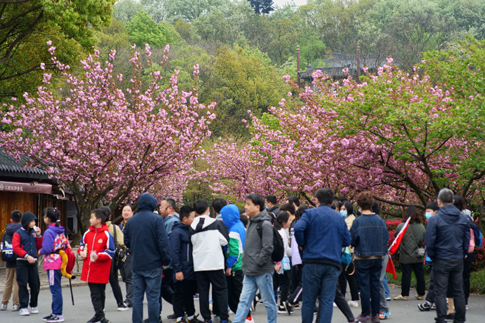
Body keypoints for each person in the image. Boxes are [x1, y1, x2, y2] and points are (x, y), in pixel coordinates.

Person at [294, 188, 351, 323]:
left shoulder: (309, 213)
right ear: (332, 202)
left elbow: (298, 228)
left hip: (312, 260)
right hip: (332, 262)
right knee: (327, 300)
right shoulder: (339, 217)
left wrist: (303, 243)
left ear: (317, 200)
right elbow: (347, 240)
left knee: (309, 300)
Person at [124, 193, 171, 323]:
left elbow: (126, 240)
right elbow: (163, 242)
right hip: (153, 263)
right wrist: (166, 260)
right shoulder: (157, 220)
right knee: (153, 297)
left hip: (137, 263)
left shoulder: (131, 221)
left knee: (138, 297)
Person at [425, 189, 469, 323]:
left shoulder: (435, 219)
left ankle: (441, 318)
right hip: (457, 258)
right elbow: (466, 239)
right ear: (453, 201)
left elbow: (430, 241)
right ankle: (460, 319)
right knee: (458, 290)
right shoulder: (463, 218)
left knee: (440, 291)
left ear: (438, 202)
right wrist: (463, 253)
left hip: (441, 258)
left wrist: (433, 256)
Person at [232, 193, 277, 323]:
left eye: (248, 204)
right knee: (243, 302)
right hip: (249, 270)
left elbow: (268, 247)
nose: (245, 207)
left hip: (262, 271)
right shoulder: (251, 222)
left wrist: (259, 262)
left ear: (257, 207)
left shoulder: (265, 224)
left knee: (269, 302)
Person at [350, 192, 389, 323]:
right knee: (375, 285)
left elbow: (352, 240)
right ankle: (376, 314)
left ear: (359, 205)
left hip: (362, 258)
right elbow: (386, 238)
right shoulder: (380, 221)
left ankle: (366, 314)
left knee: (365, 287)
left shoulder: (358, 221)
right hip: (378, 257)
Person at [190, 199, 230, 323]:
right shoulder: (216, 224)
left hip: (199, 264)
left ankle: (206, 318)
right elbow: (225, 241)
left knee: (203, 292)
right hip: (215, 262)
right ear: (208, 209)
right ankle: (223, 318)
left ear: (195, 212)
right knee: (221, 290)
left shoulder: (191, 227)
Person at [78, 209, 115, 323]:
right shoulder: (87, 233)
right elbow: (82, 245)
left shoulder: (106, 235)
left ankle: (99, 316)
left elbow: (111, 251)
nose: (89, 219)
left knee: (100, 293)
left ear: (99, 220)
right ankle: (100, 315)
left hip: (101, 269)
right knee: (95, 293)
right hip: (90, 269)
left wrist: (99, 256)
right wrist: (81, 252)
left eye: (91, 217)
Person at [169, 206, 203, 323]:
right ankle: (179, 317)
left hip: (191, 269)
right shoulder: (177, 232)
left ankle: (191, 316)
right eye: (193, 217)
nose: (195, 219)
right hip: (182, 269)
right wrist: (178, 269)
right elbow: (174, 252)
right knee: (179, 293)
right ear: (184, 218)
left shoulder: (191, 230)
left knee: (189, 293)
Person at [220, 204, 253, 322]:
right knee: (241, 295)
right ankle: (247, 318)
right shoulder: (240, 226)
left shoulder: (233, 230)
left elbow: (234, 252)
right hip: (243, 265)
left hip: (236, 267)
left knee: (236, 297)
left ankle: (247, 319)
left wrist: (229, 266)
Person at [39, 208, 71, 323]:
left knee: (55, 289)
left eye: (44, 216)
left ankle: (57, 313)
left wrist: (40, 251)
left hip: (52, 262)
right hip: (60, 260)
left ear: (47, 218)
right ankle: (55, 312)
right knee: (56, 288)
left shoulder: (49, 231)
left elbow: (47, 248)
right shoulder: (60, 229)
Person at [12, 211, 43, 316]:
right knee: (22, 284)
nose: (34, 223)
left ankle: (34, 304)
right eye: (32, 221)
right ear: (26, 221)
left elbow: (40, 245)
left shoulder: (34, 232)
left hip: (33, 261)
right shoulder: (18, 233)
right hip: (22, 262)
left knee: (35, 284)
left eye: (34, 221)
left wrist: (39, 236)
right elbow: (15, 247)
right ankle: (23, 306)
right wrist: (26, 255)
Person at [393, 207, 426, 301]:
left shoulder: (402, 226)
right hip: (417, 254)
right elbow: (424, 238)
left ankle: (404, 295)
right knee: (419, 274)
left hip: (405, 254)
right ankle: (421, 294)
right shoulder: (421, 227)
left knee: (406, 275)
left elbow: (396, 236)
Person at [101, 206, 129, 312]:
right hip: (112, 258)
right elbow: (122, 244)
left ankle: (101, 305)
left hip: (99, 258)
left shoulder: (96, 228)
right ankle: (120, 303)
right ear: (109, 216)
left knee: (101, 283)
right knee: (114, 282)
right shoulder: (114, 228)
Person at [159, 197, 179, 319]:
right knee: (171, 286)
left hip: (170, 261)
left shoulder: (171, 222)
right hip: (173, 260)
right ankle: (178, 310)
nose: (160, 209)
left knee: (164, 287)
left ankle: (180, 308)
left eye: (162, 207)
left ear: (169, 208)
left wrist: (166, 260)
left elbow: (167, 243)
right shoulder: (171, 220)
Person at [418, 202, 439, 311]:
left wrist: (431, 254)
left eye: (428, 211)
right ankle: (434, 300)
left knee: (434, 280)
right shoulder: (433, 221)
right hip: (435, 256)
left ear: (436, 211)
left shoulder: (434, 222)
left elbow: (430, 241)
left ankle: (431, 301)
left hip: (435, 256)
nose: (426, 214)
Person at [338, 201, 359, 308]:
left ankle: (343, 298)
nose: (342, 211)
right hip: (348, 251)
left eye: (344, 209)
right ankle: (354, 298)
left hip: (348, 251)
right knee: (350, 275)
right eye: (341, 209)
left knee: (345, 275)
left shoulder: (350, 220)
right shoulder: (348, 219)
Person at [1, 210, 22, 312]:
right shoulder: (22, 231)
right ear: (21, 220)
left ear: (11, 220)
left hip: (9, 259)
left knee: (8, 282)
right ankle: (16, 304)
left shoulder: (6, 231)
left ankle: (4, 303)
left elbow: (2, 245)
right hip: (19, 259)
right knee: (17, 282)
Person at [272, 211, 292, 315]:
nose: (290, 222)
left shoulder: (283, 231)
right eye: (289, 220)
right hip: (281, 261)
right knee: (285, 282)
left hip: (282, 260)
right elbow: (280, 249)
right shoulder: (281, 232)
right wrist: (277, 262)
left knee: (276, 282)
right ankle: (282, 304)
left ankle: (257, 298)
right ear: (284, 222)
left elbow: (286, 248)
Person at [119, 204, 134, 308]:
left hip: (130, 254)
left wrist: (130, 251)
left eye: (128, 210)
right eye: (124, 210)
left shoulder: (134, 224)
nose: (126, 212)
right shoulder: (119, 226)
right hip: (120, 255)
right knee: (124, 277)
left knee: (129, 277)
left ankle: (130, 299)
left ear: (132, 213)